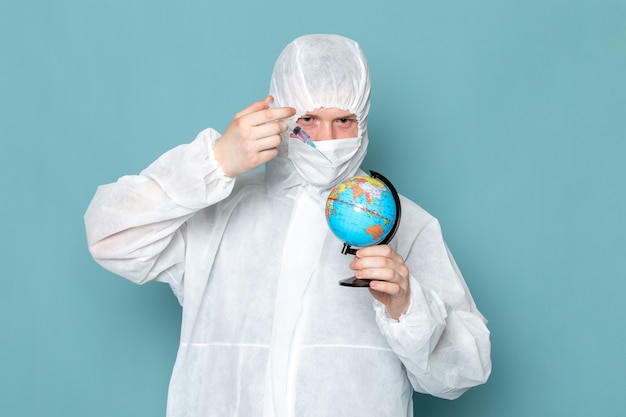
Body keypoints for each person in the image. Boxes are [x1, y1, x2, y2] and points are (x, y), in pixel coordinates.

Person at [84, 34, 491, 417]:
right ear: (279, 116)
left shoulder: (399, 222)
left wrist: (409, 308)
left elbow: (466, 370)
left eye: (344, 121)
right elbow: (110, 236)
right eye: (309, 118)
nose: (327, 139)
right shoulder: (220, 212)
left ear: (362, 120)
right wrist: (214, 162)